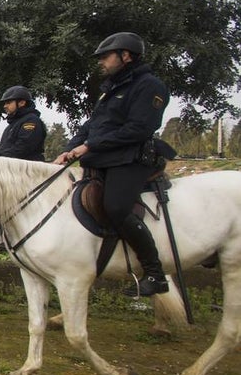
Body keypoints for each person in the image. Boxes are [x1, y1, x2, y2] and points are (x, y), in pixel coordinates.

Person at [53, 32, 170, 296]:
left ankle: (155, 273)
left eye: (106, 56)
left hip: (131, 159)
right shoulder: (111, 89)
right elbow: (91, 126)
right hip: (103, 159)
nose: (101, 62)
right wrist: (69, 149)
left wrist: (90, 146)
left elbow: (138, 129)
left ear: (126, 56)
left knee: (115, 208)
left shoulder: (150, 86)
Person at [0, 86, 46, 161]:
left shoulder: (31, 121)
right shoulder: (12, 125)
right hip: (12, 167)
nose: (5, 106)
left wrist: (0, 159)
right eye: (5, 103)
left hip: (28, 169)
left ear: (22, 103)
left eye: (8, 102)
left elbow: (23, 147)